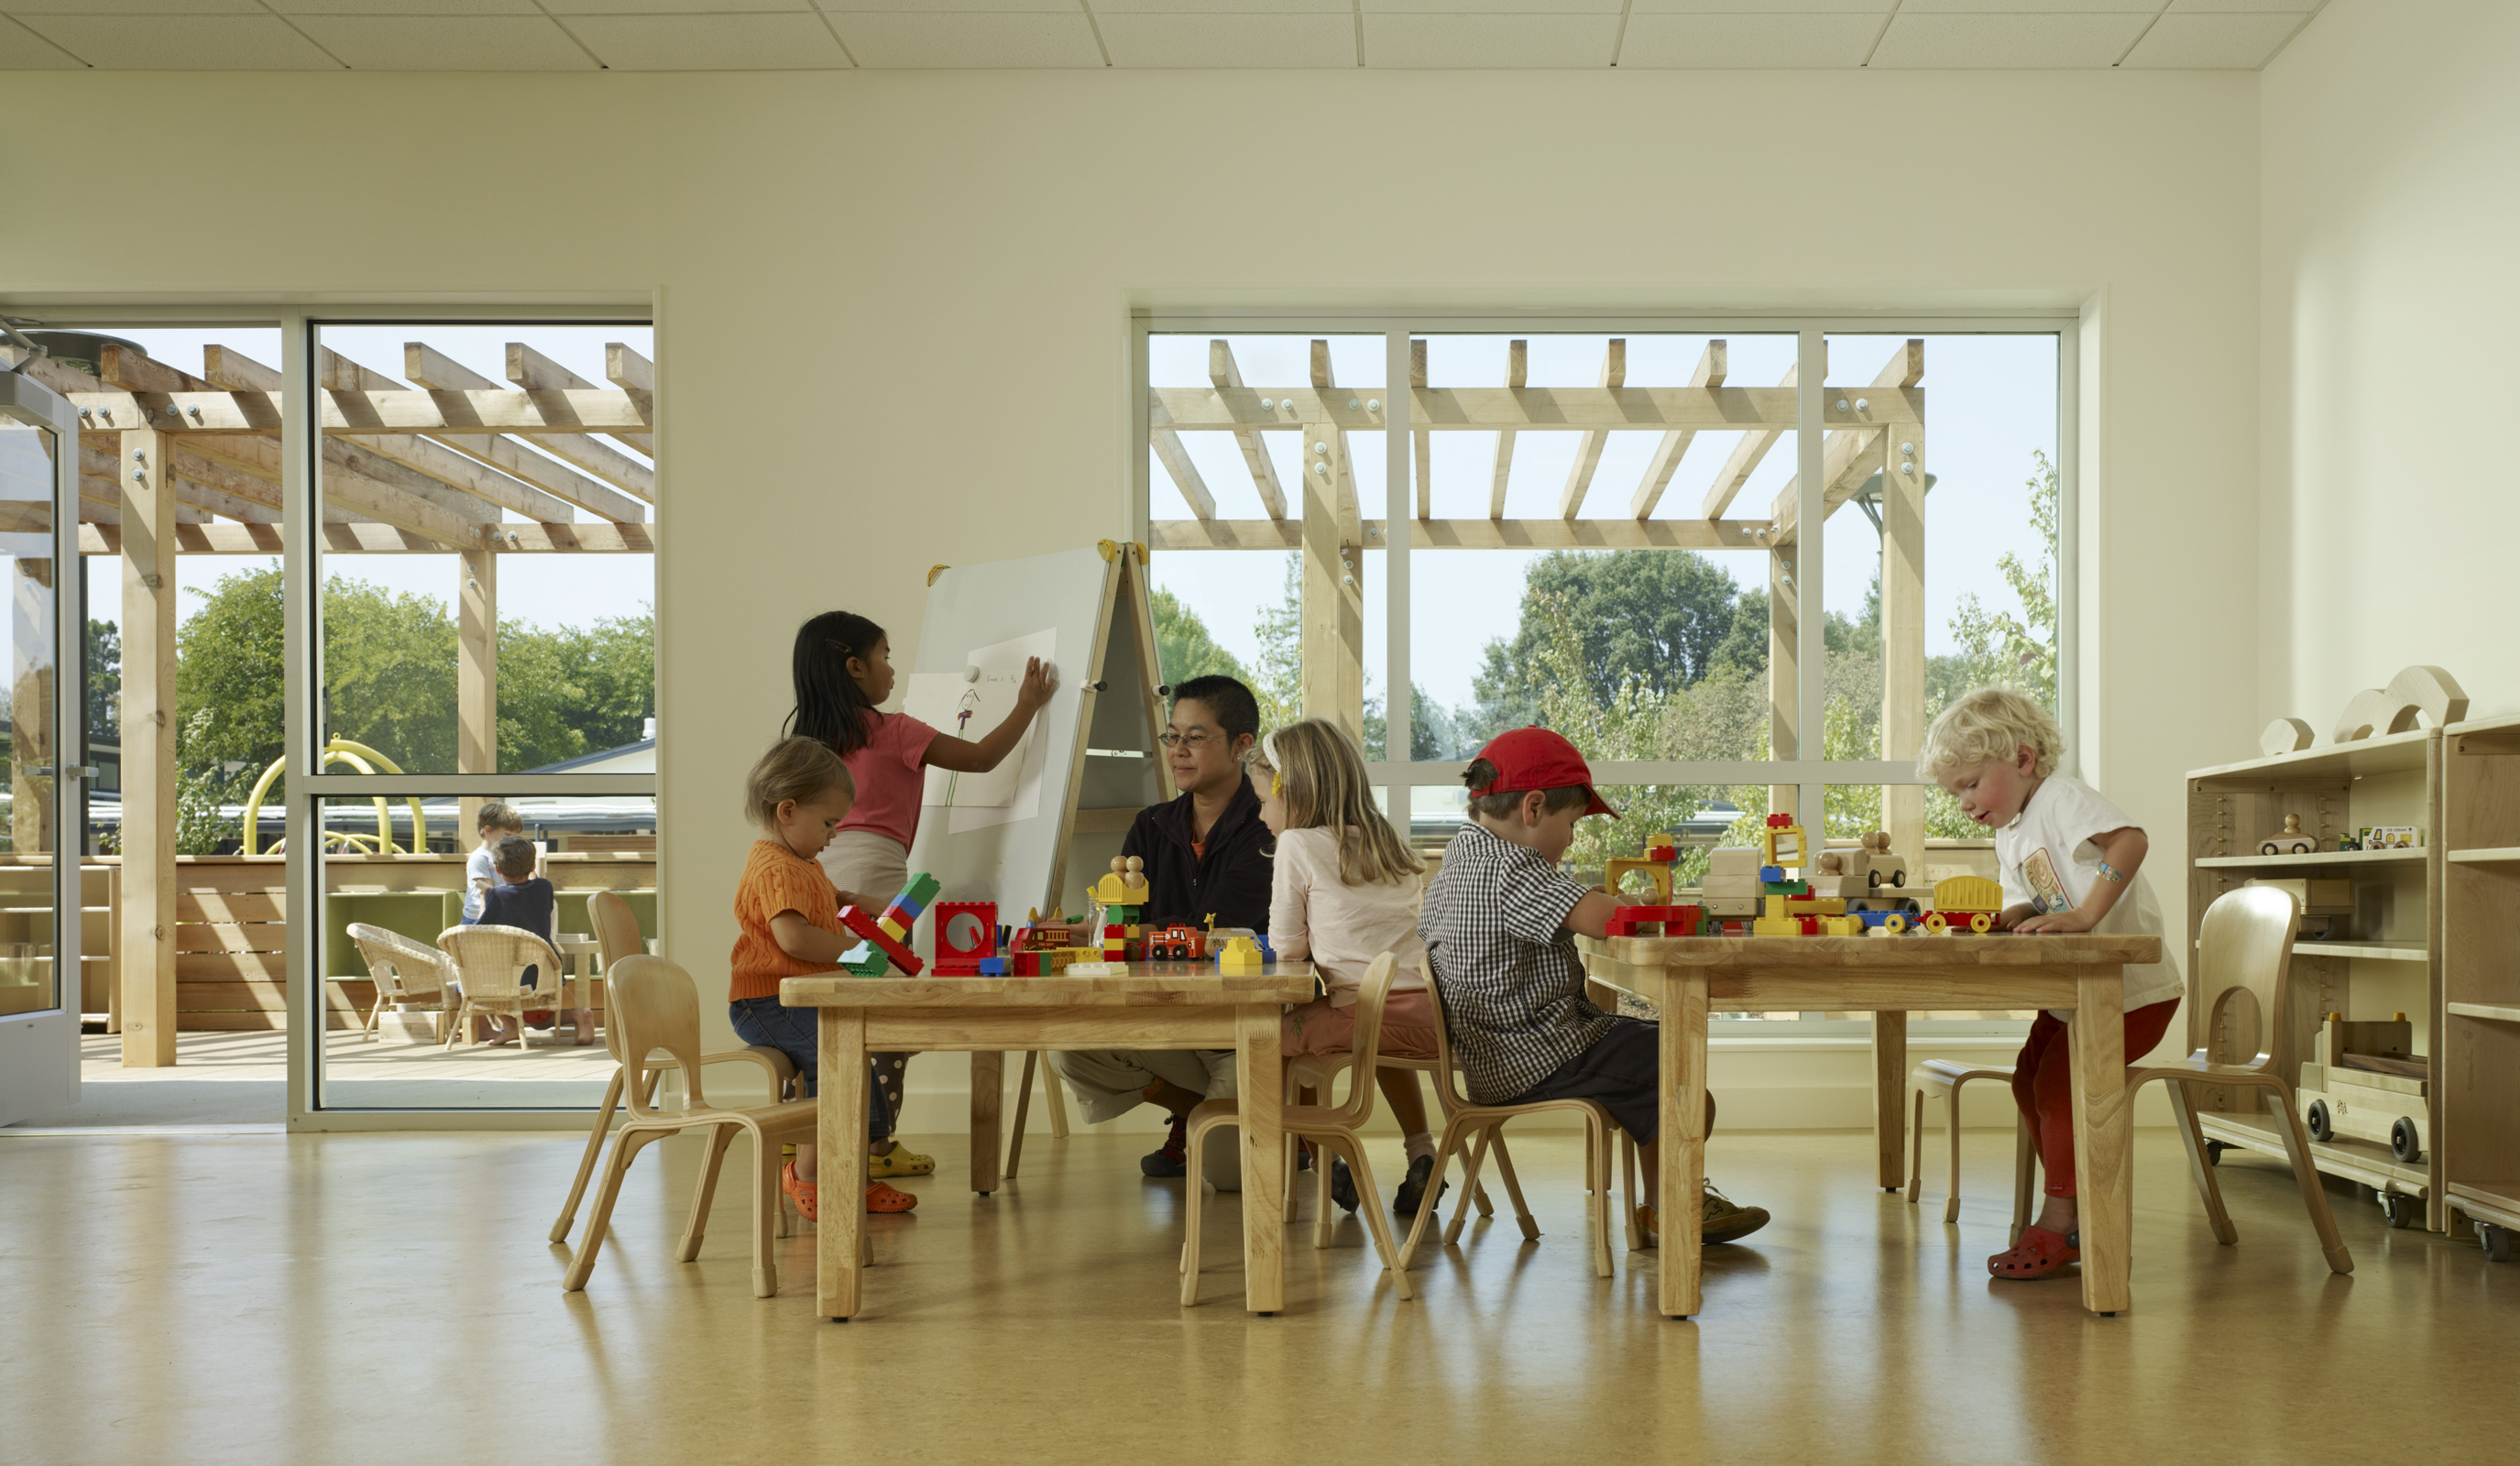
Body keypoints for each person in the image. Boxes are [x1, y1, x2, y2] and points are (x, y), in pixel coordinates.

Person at [1420, 726, 1769, 1248]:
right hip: (1534, 1056)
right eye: (1572, 823)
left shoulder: (1460, 864)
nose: (1572, 838)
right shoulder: (1511, 869)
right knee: (1676, 1057)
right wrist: (1631, 904)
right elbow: (1605, 917)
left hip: (1496, 1054)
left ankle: (1664, 1204)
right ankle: (1676, 1203)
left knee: (1652, 1056)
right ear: (1533, 809)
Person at [1923, 685, 2183, 1282]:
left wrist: (2087, 917)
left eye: (1969, 784)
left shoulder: (2061, 799)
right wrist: (1998, 921)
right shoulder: (2010, 832)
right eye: (1953, 791)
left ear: (2021, 760)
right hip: (2076, 997)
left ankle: (2063, 1217)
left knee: (2059, 1088)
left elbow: (2130, 841)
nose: (1963, 802)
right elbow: (2026, 905)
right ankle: (2076, 1198)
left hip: (2128, 991)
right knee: (2027, 1081)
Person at [785, 610, 1056, 1183]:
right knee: (889, 1016)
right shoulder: (894, 730)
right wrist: (1028, 705)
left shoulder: (805, 746)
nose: (890, 669)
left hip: (813, 872)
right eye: (884, 656)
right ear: (855, 667)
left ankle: (805, 1128)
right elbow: (982, 759)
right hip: (877, 874)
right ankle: (875, 1140)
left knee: (833, 1009)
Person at [1050, 674, 1274, 1187]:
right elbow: (1123, 918)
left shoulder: (1268, 826)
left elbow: (1211, 930)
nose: (1178, 751)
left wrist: (1120, 934)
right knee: (1072, 1047)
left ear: (1242, 745)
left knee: (1228, 1178)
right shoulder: (1151, 826)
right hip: (1165, 1015)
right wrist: (1080, 931)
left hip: (1238, 1029)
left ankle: (1258, 1121)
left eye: (1196, 737)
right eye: (1172, 736)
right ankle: (1192, 1110)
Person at [1249, 718, 1450, 1218]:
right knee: (1376, 1024)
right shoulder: (1390, 844)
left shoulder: (1297, 844)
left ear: (1290, 792)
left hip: (1361, 1019)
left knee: (1270, 1039)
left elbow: (1288, 949)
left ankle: (1328, 1157)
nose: (1259, 814)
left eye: (1262, 800)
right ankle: (1421, 1150)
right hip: (1432, 1021)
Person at [726, 736, 917, 1218]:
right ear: (787, 810)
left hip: (796, 997)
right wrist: (860, 950)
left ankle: (849, 1173)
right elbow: (794, 938)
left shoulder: (803, 862)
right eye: (829, 822)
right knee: (837, 1060)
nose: (835, 835)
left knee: (850, 1054)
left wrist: (870, 906)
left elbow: (831, 900)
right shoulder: (775, 867)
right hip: (768, 1001)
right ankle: (812, 1175)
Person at [475, 834, 592, 1047]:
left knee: (475, 984)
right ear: (532, 866)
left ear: (497, 870)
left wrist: (484, 901)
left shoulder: (496, 895)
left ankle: (510, 1027)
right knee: (538, 1023)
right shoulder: (544, 887)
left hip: (512, 974)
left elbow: (481, 931)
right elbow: (534, 897)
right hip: (545, 970)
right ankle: (580, 1015)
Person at [462, 802, 525, 924]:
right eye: (508, 834)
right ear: (488, 830)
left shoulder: (506, 855)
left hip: (498, 912)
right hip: (477, 918)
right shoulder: (479, 858)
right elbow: (488, 891)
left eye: (515, 835)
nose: (512, 839)